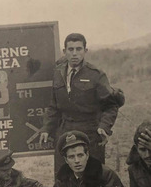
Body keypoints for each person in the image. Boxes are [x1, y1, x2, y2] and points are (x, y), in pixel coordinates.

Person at [39, 33, 124, 174]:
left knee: (92, 177)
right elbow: (53, 106)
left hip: (90, 132)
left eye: (78, 49)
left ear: (85, 51)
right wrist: (46, 128)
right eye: (70, 49)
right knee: (63, 175)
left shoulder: (96, 75)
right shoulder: (58, 73)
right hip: (64, 131)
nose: (74, 54)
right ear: (64, 51)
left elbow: (111, 105)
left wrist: (104, 127)